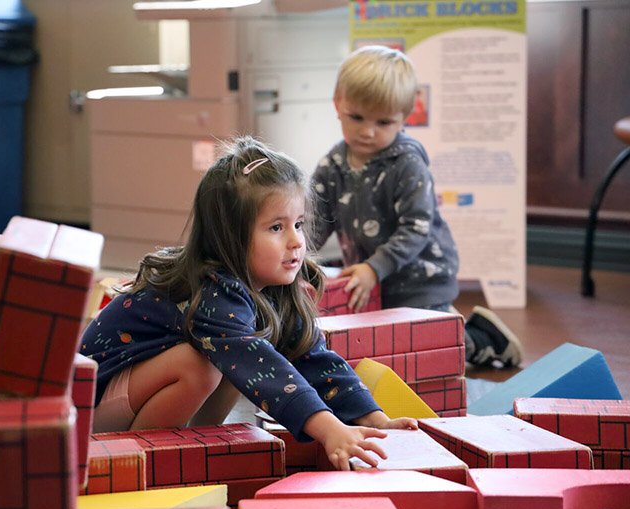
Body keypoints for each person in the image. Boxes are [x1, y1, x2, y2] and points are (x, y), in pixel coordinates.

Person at [80, 136, 417, 471]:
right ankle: (141, 464)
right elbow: (263, 369)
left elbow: (313, 357)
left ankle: (193, 449)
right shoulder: (213, 291)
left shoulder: (274, 287)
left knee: (234, 355)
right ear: (230, 237)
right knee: (205, 363)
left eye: (298, 224)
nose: (296, 241)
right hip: (89, 412)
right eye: (276, 227)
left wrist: (375, 419)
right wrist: (329, 429)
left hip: (130, 398)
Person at [311, 45, 523, 368]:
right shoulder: (332, 164)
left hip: (420, 279)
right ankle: (452, 328)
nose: (367, 131)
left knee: (429, 349)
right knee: (388, 348)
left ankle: (483, 338)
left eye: (383, 122)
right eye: (357, 117)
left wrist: (374, 268)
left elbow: (416, 228)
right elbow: (316, 219)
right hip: (374, 280)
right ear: (338, 104)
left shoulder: (407, 161)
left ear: (404, 117)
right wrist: (295, 254)